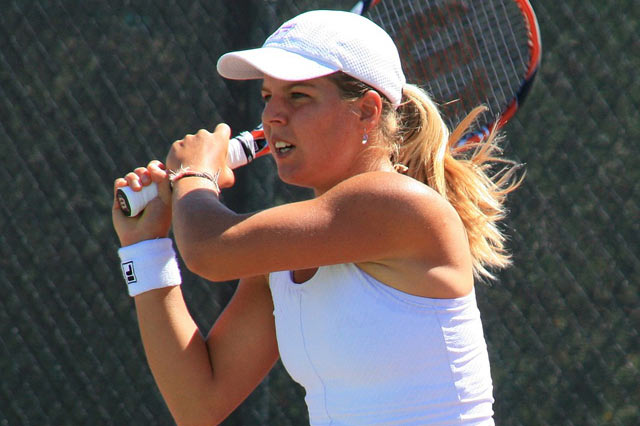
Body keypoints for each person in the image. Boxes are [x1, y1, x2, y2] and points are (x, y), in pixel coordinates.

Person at [112, 10, 522, 426]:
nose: (272, 116)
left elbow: (209, 251)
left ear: (367, 111)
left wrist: (193, 173)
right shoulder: (289, 251)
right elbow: (198, 404)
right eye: (267, 96)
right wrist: (144, 247)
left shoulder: (396, 203)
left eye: (298, 96)